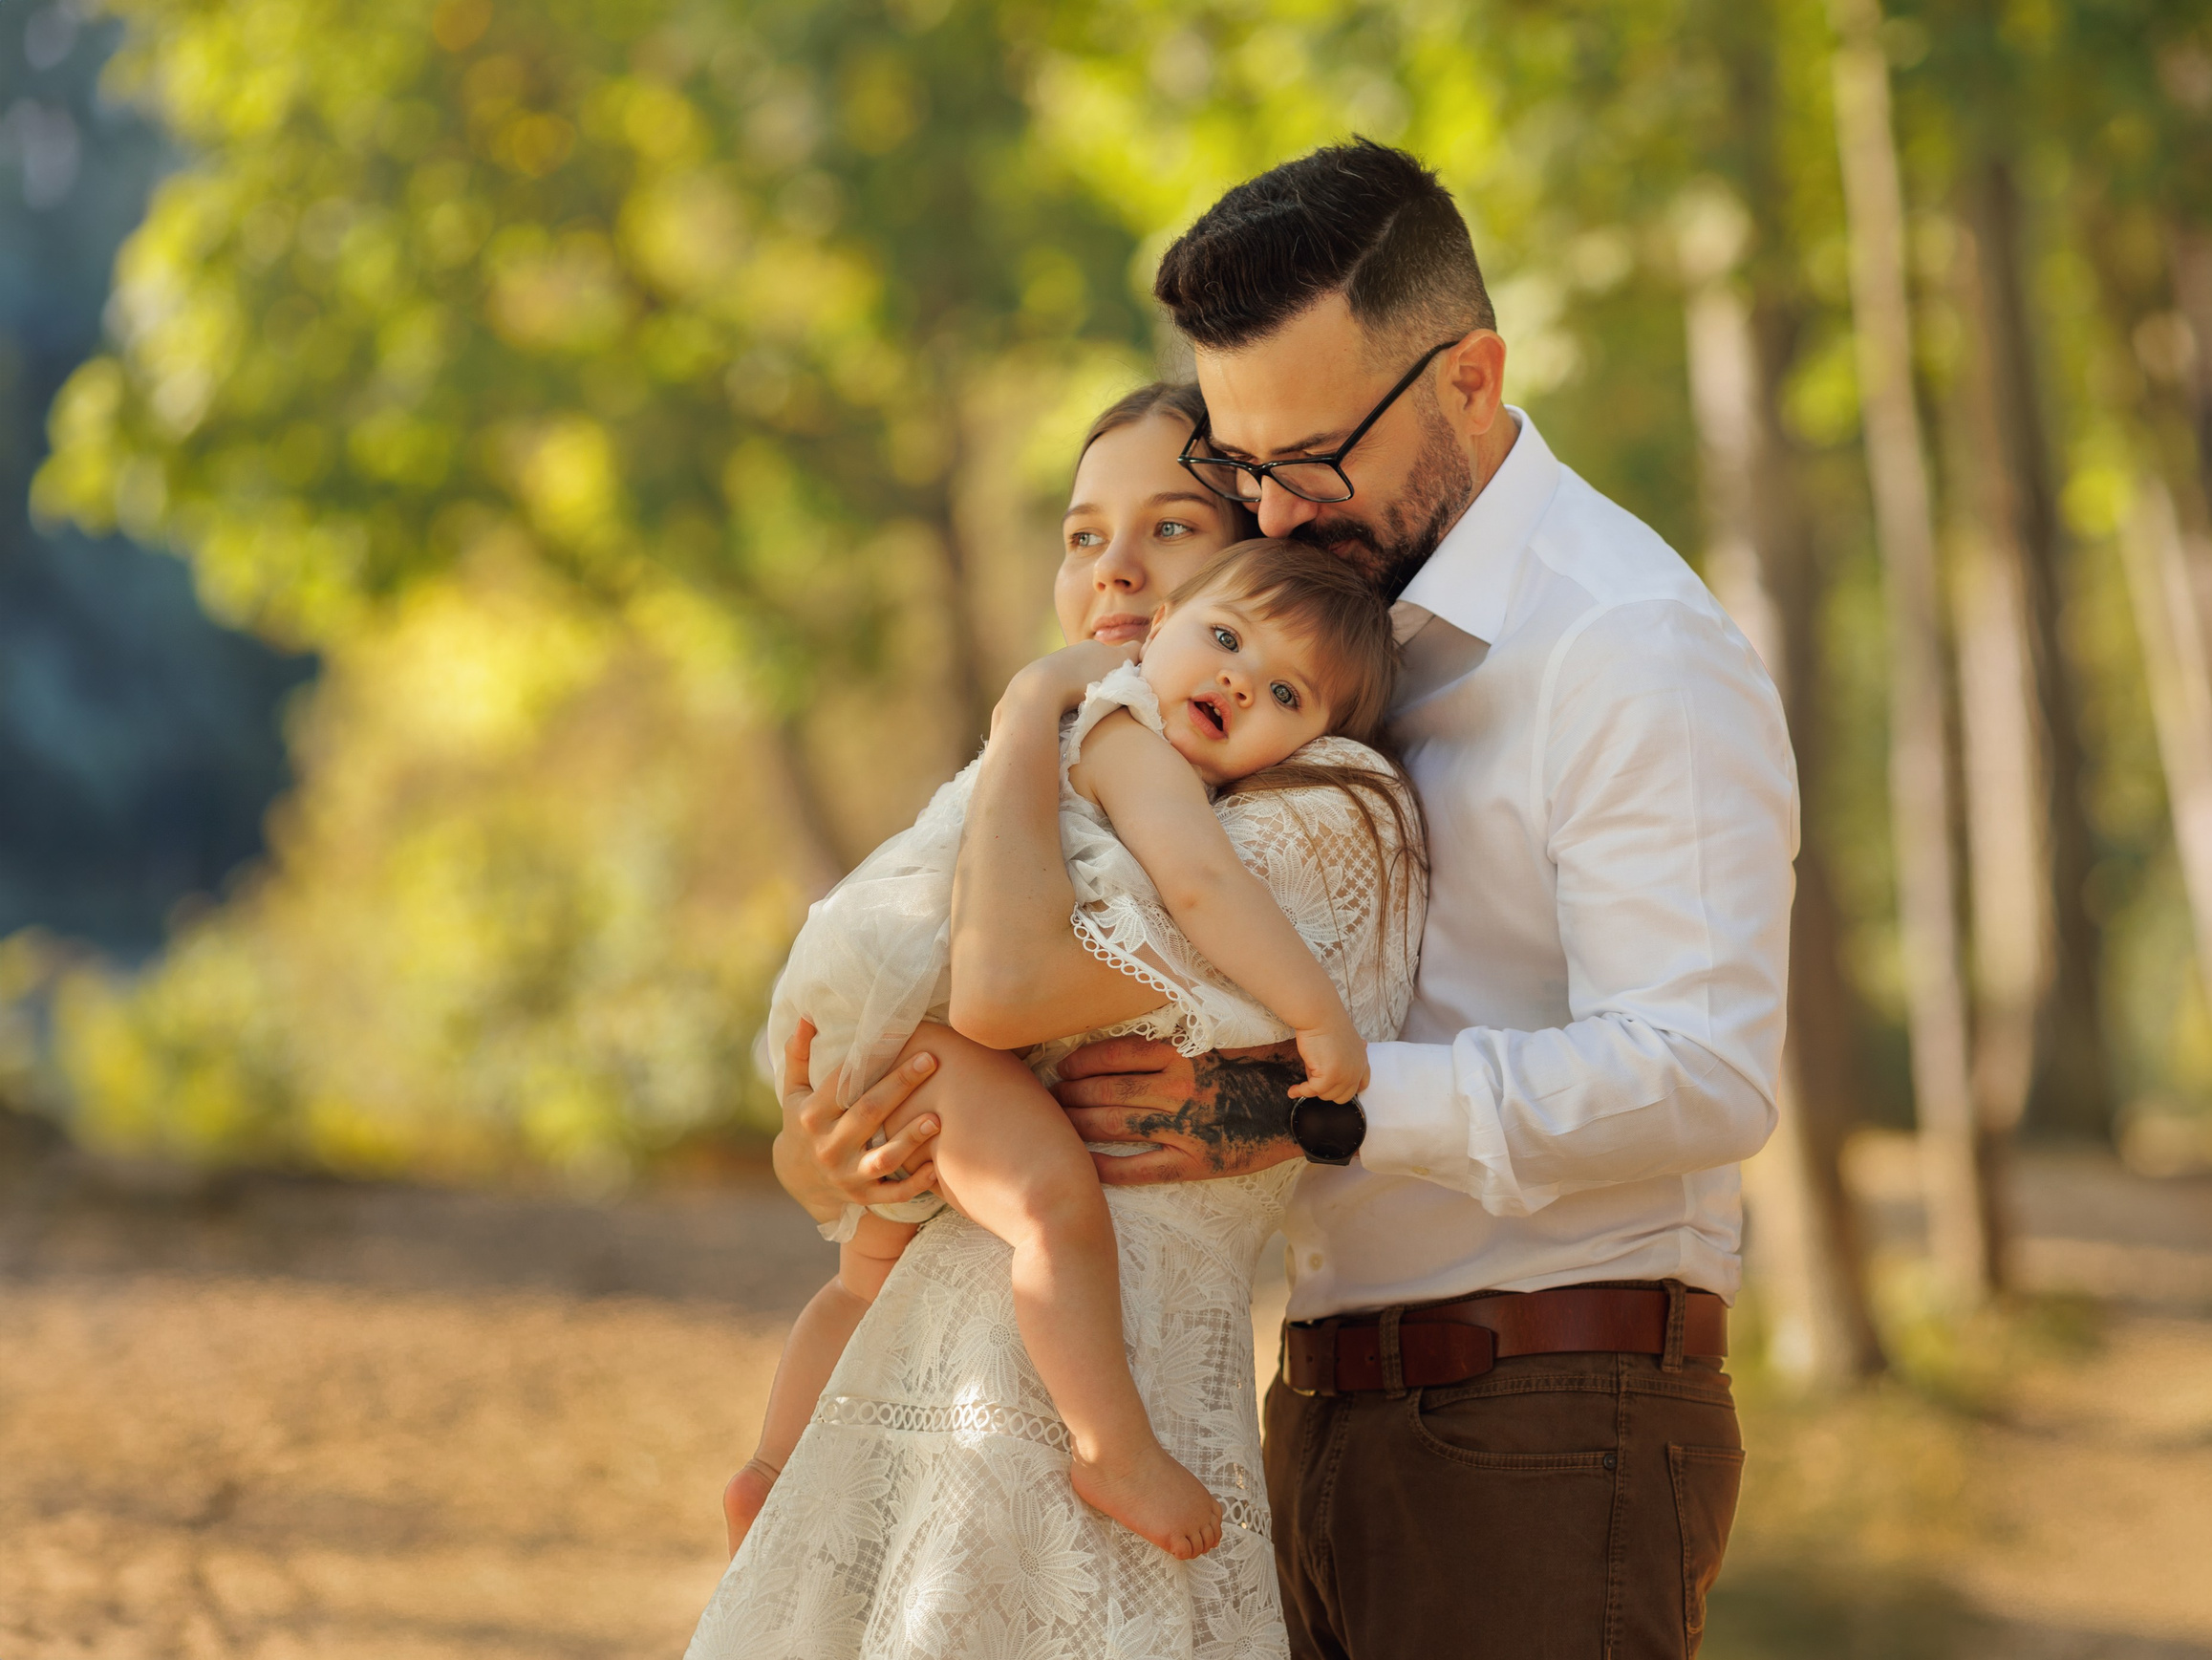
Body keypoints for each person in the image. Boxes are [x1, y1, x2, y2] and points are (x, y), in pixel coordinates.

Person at [780, 141, 1798, 1658]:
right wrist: (866, 1143)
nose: (1278, 505)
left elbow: (1703, 1072)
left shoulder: (1626, 646)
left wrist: (1312, 1108)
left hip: (1544, 1416)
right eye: (1245, 466)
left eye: (1312, 453)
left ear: (1472, 376)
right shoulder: (1304, 646)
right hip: (1313, 1401)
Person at [688, 389, 1427, 1657]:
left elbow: (1017, 982)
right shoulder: (1118, 735)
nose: (1118, 569)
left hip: (981, 1418)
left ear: (1264, 549)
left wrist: (1031, 715)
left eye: (1172, 526)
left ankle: (774, 1456)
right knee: (1032, 1200)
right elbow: (988, 999)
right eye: (1084, 535)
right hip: (970, 1413)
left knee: (869, 1266)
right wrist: (1034, 709)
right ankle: (1101, 1444)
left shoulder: (1314, 803)